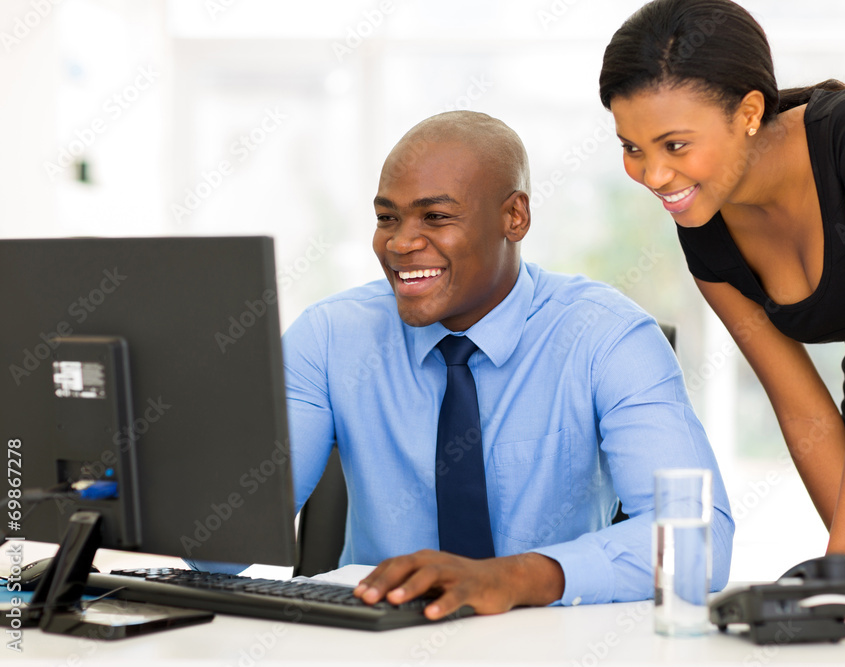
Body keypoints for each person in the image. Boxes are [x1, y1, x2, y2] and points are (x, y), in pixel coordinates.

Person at [599, 0, 845, 609]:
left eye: (675, 145)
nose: (653, 175)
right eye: (632, 148)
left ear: (750, 112)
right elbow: (801, 412)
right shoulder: (704, 226)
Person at [282, 109, 733, 619]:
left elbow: (699, 540)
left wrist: (514, 578)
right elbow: (220, 544)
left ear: (514, 217)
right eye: (388, 217)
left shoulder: (606, 337)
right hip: (378, 641)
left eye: (436, 217)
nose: (401, 243)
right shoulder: (327, 337)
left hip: (554, 643)